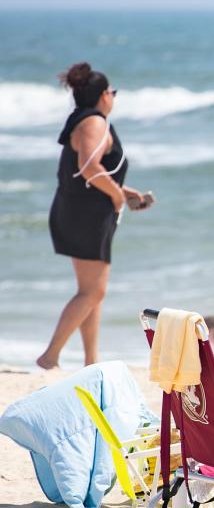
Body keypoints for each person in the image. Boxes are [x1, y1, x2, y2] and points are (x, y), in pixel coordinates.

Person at [37, 62, 154, 370]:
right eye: (112, 91)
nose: (114, 96)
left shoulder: (86, 120)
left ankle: (91, 360)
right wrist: (116, 196)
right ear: (103, 95)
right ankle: (50, 356)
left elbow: (86, 171)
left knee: (91, 292)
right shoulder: (94, 124)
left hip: (80, 209)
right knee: (93, 291)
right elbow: (90, 166)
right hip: (86, 215)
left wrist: (124, 192)